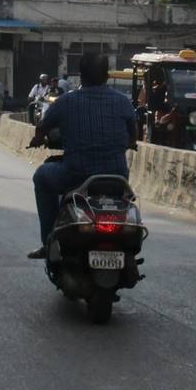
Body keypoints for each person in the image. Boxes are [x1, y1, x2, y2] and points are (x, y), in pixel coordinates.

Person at [27, 53, 138, 258]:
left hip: (76, 175)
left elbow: (42, 127)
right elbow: (134, 136)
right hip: (117, 177)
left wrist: (37, 139)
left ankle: (49, 240)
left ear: (81, 76)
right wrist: (129, 143)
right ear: (106, 76)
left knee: (41, 177)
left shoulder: (65, 102)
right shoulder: (123, 102)